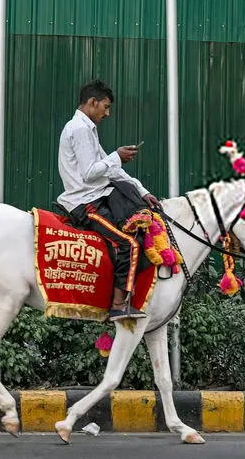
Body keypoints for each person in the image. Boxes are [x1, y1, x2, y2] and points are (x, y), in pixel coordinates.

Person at [57, 79, 162, 321]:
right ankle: (117, 305)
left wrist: (142, 190)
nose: (108, 113)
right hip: (84, 203)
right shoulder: (80, 129)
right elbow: (90, 172)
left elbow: (110, 170)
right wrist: (117, 156)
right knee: (129, 244)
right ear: (92, 102)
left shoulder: (86, 129)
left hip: (95, 196)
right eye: (105, 106)